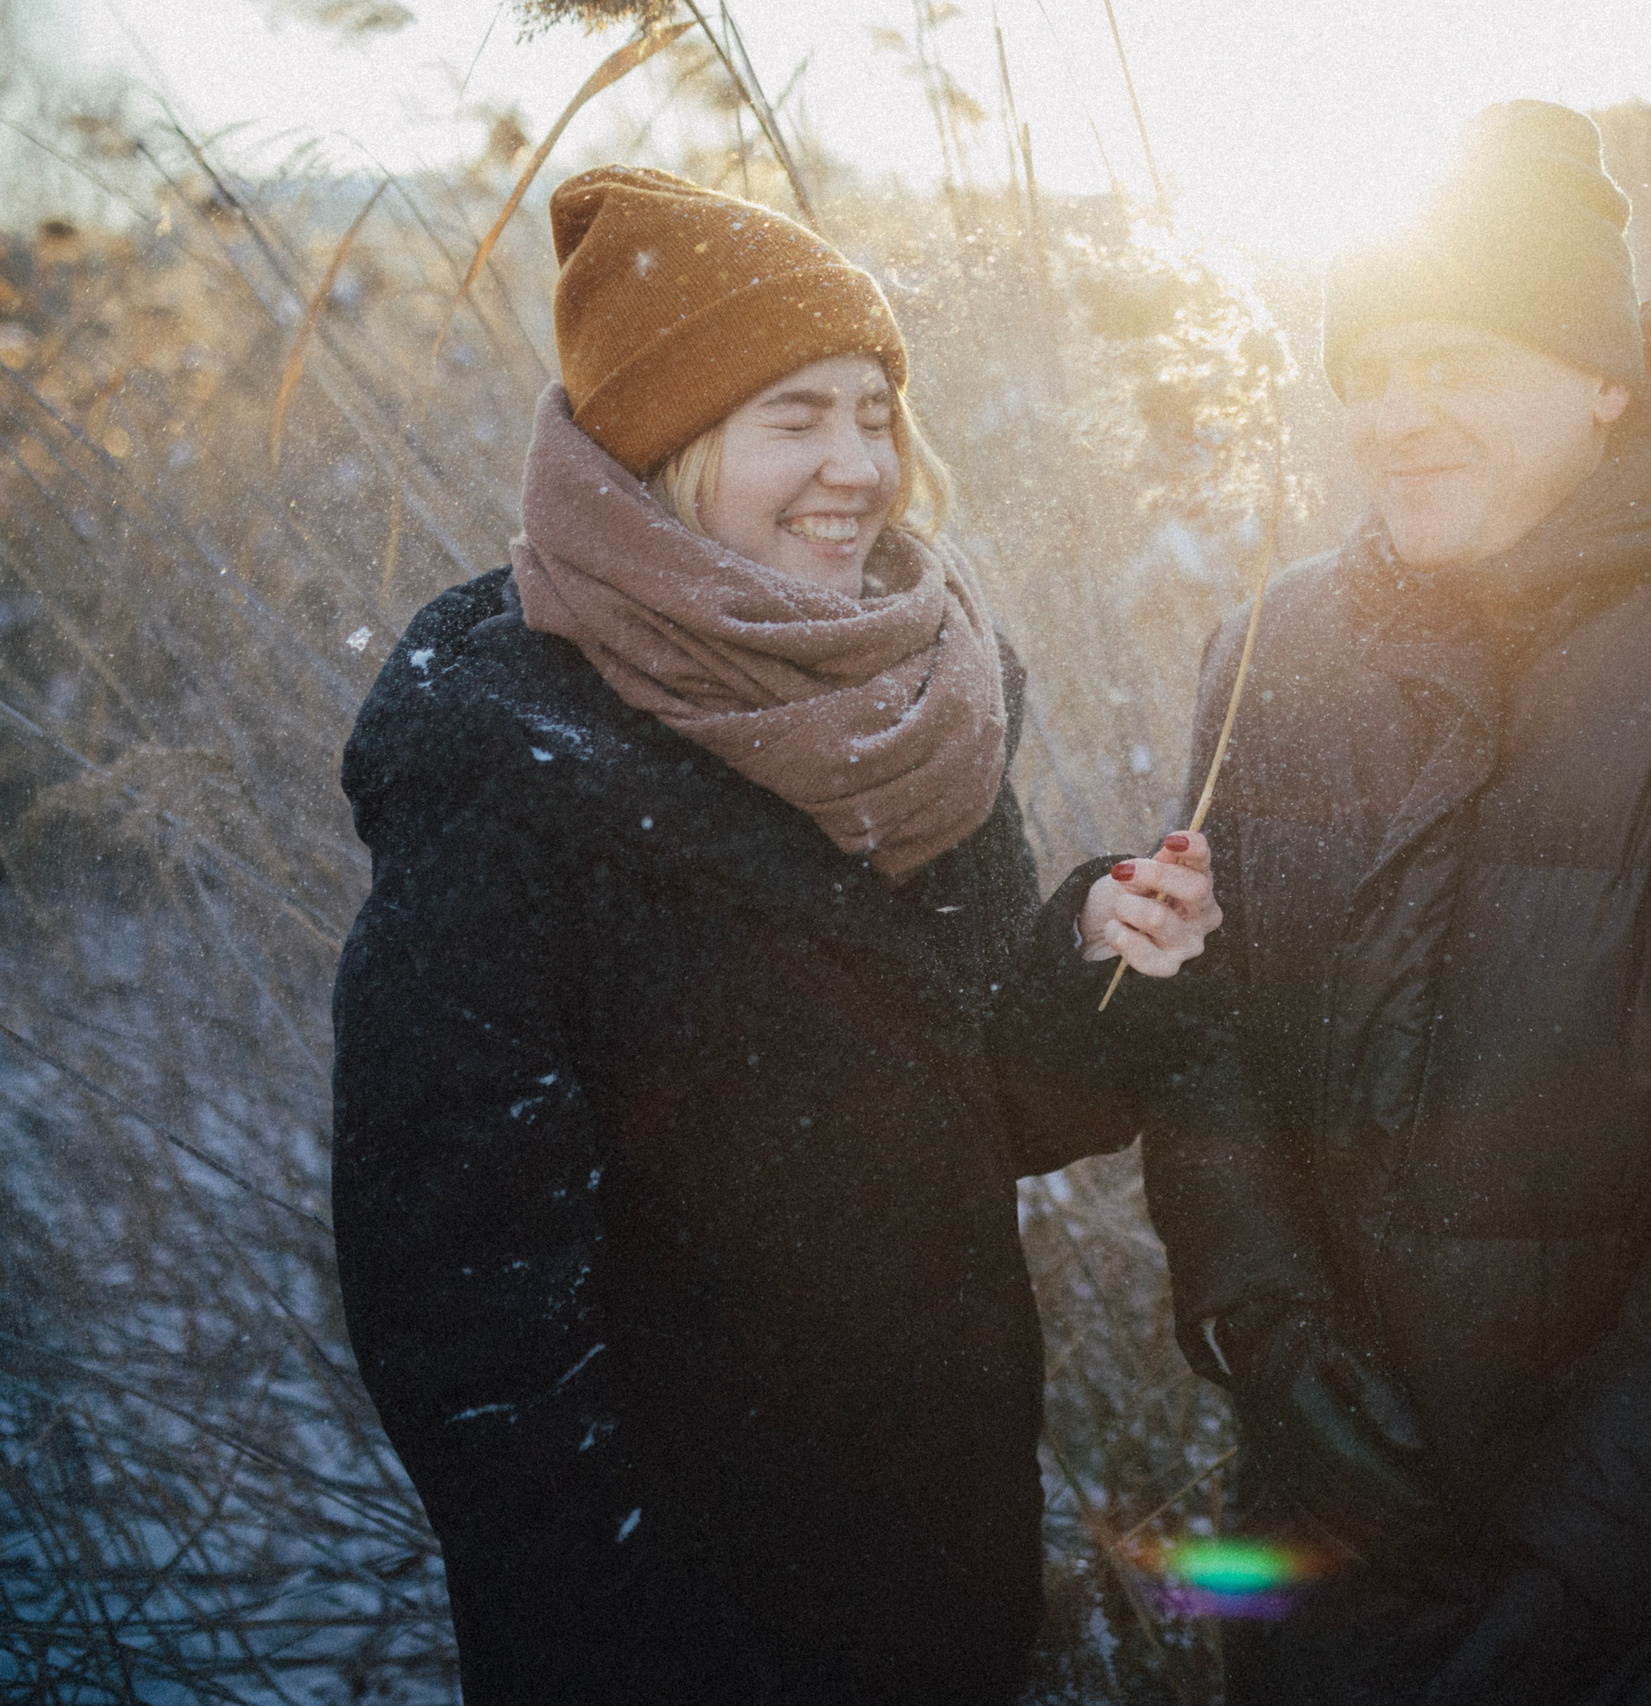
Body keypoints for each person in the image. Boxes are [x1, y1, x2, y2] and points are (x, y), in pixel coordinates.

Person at [329, 166, 1217, 1705]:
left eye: (875, 412)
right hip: (672, 1634)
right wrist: (636, 1633)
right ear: (664, 448)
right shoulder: (509, 767)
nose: (857, 466)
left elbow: (980, 1098)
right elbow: (465, 1315)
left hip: (941, 1583)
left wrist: (1099, 954)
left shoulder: (922, 702)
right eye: (793, 418)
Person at [1132, 102, 1651, 1704]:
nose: (1400, 415)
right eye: (1371, 369)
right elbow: (1203, 1028)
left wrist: (1572, 1572)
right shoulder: (1276, 653)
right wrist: (1271, 1330)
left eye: (1454, 358)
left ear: (1603, 376)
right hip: (1328, 1555)